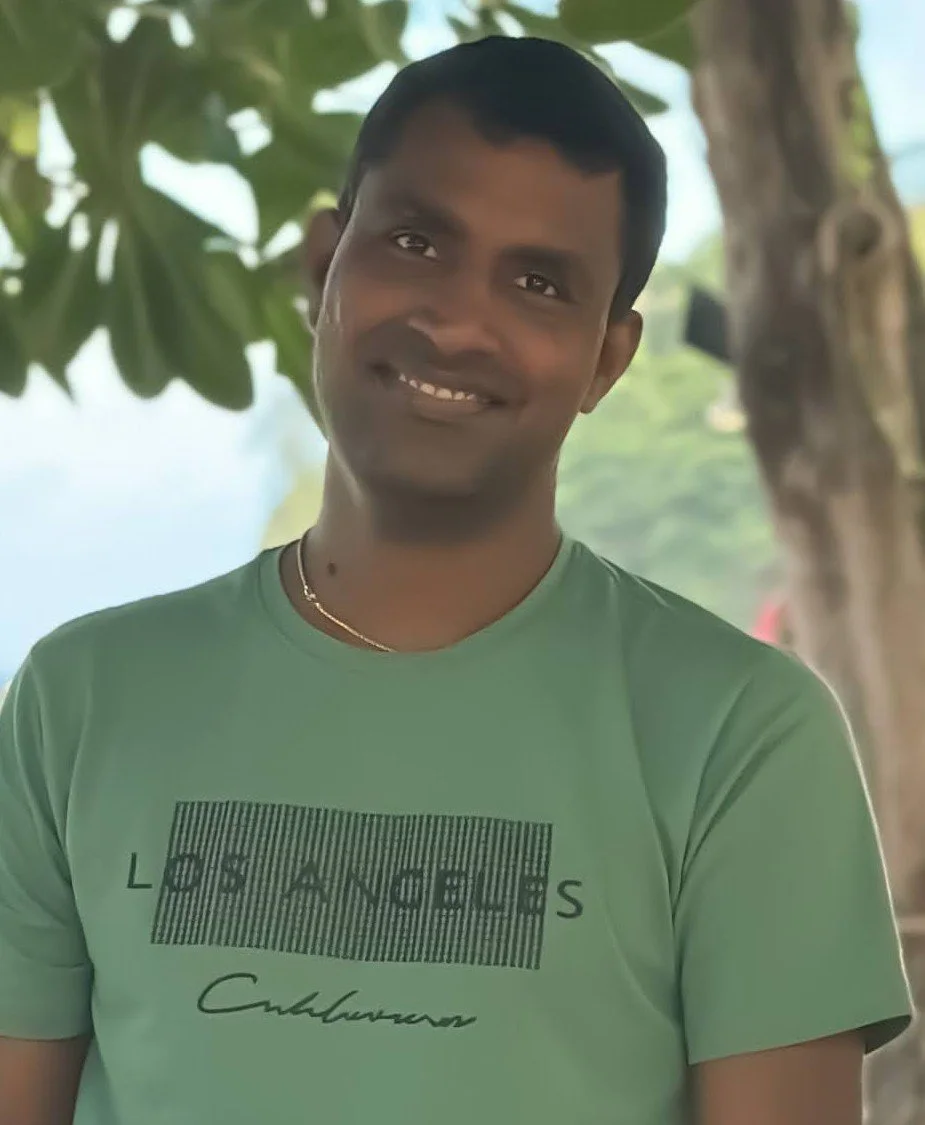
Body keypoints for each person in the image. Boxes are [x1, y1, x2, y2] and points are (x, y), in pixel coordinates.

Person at [0, 35, 912, 1125]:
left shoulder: (740, 736)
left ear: (605, 361)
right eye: (417, 240)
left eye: (538, 281)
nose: (458, 319)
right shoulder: (82, 700)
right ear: (320, 264)